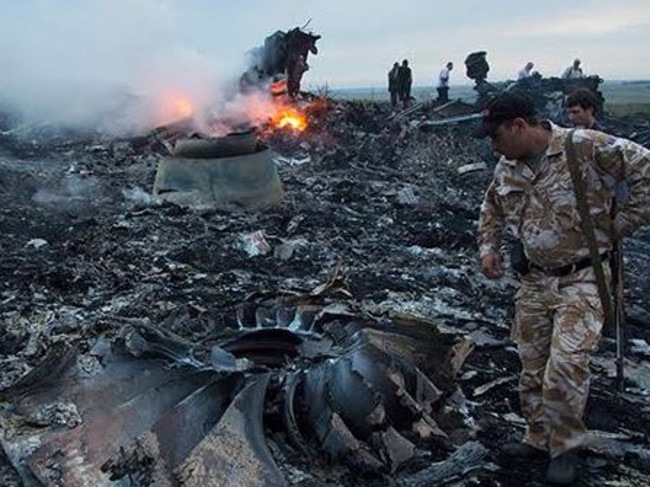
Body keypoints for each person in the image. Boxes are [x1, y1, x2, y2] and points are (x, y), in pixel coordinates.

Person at [475, 92, 650, 485]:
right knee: (532, 366)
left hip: (583, 277)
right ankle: (538, 437)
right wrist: (489, 249)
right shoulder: (508, 166)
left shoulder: (583, 146)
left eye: (497, 134)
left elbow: (646, 169)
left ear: (520, 126)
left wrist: (622, 223)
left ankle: (567, 445)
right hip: (534, 280)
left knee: (566, 364)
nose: (493, 144)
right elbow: (491, 209)